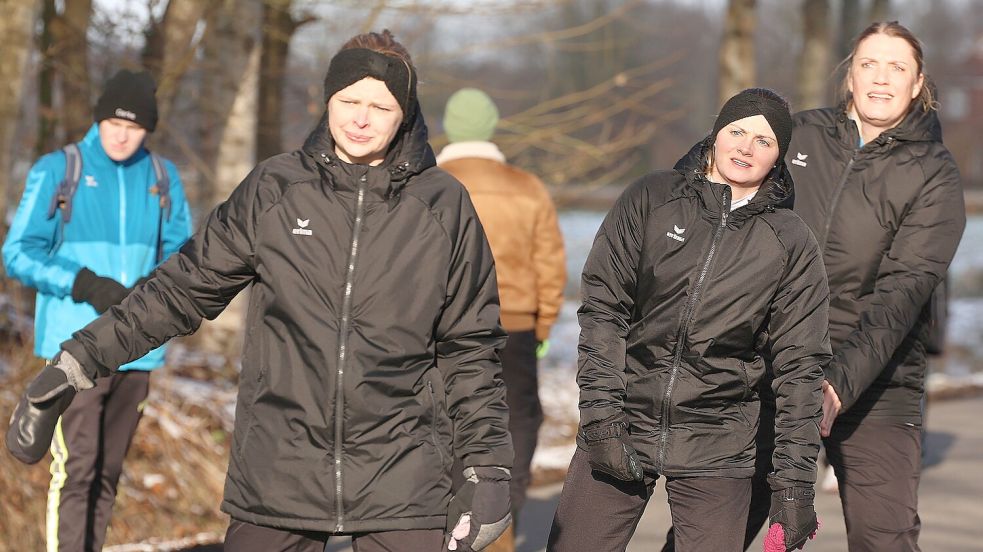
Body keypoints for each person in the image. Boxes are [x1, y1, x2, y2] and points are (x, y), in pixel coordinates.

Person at [7, 30, 514, 552]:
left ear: (404, 113)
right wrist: (75, 364)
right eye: (349, 101)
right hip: (279, 466)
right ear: (328, 100)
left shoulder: (443, 206)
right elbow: (178, 290)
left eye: (380, 106)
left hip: (402, 476)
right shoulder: (275, 189)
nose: (361, 119)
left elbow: (470, 346)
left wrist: (488, 467)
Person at [546, 88, 831, 552]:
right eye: (737, 131)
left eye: (763, 141)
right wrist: (601, 418)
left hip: (720, 439)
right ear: (716, 133)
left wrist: (795, 488)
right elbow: (604, 311)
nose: (745, 147)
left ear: (779, 156)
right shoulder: (651, 197)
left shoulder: (791, 241)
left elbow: (800, 369)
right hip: (626, 416)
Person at [783, 21, 965, 551]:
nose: (881, 79)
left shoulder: (934, 172)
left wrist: (836, 385)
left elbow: (903, 294)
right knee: (720, 526)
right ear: (849, 75)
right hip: (774, 364)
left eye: (897, 67)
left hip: (880, 381)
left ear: (917, 83)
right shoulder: (799, 134)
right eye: (869, 64)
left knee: (882, 535)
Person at [2, 68, 192, 552]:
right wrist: (83, 282)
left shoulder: (162, 178)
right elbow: (18, 252)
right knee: (76, 469)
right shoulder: (57, 170)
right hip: (75, 350)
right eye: (114, 124)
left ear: (148, 128)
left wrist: (153, 289)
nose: (123, 135)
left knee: (107, 473)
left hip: (139, 351)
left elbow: (185, 255)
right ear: (98, 120)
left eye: (134, 127)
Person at [437, 87, 567, 550]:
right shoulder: (525, 186)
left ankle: (446, 523)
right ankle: (498, 529)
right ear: (490, 127)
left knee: (448, 423)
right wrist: (543, 328)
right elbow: (550, 264)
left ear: (450, 127)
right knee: (515, 426)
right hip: (514, 327)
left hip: (442, 327)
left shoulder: (430, 182)